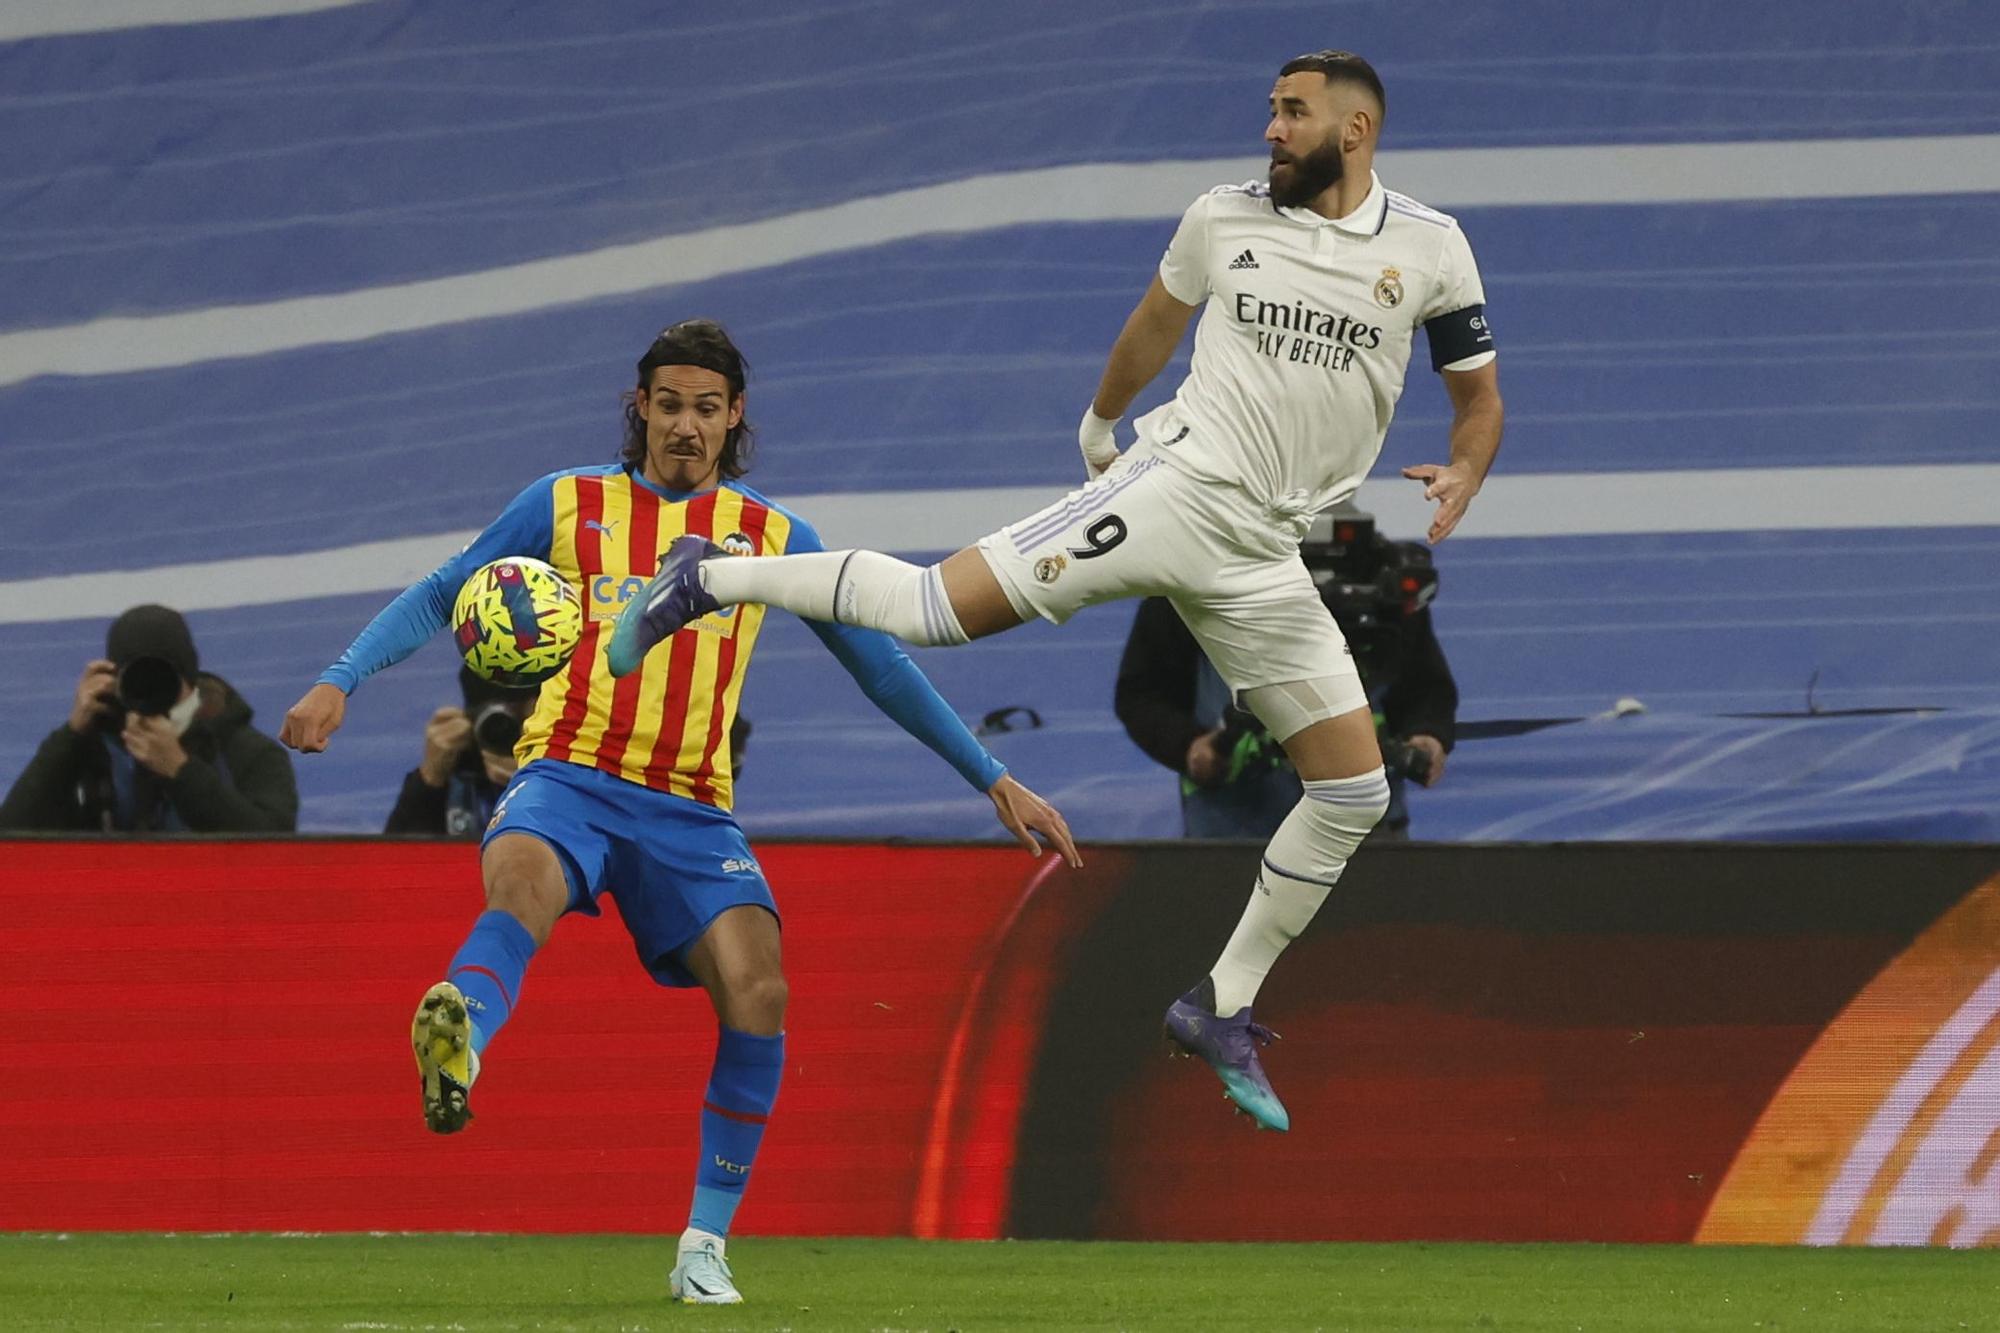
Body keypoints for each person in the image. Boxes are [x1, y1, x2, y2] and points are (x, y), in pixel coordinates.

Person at [612, 51, 1503, 1135]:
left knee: (1354, 793)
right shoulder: (1220, 219)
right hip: (1177, 487)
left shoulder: (1430, 247)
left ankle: (1218, 1003)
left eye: (1291, 113)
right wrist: (1096, 424)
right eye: (1269, 108)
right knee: (934, 610)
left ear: (1354, 131)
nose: (1269, 128)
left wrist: (1465, 467)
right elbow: (1151, 329)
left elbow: (1478, 399)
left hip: (1267, 554)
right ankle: (709, 575)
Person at [279, 320, 1076, 1307]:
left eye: (706, 408)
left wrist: (990, 775)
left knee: (760, 990)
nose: (685, 426)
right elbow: (445, 591)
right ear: (640, 409)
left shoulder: (774, 536)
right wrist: (338, 680)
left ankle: (703, 1242)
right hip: (565, 774)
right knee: (519, 881)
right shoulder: (566, 503)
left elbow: (879, 661)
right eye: (668, 406)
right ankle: (460, 1036)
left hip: (692, 810)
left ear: (734, 416)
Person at [1115, 513, 1459, 839]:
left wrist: (1427, 735)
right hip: (1232, 834)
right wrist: (1190, 747)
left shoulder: (1376, 573)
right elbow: (1141, 693)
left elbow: (1425, 688)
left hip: (1363, 831)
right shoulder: (1193, 578)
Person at [0, 604, 297, 833]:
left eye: (164, 677)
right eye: (137, 678)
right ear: (114, 680)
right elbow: (11, 838)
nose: (152, 690)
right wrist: (71, 736)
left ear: (191, 678)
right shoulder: (90, 749)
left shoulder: (249, 752)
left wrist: (182, 771)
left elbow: (276, 850)